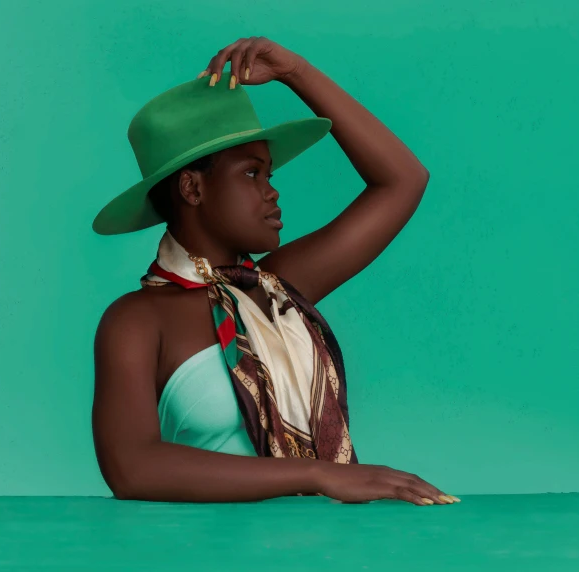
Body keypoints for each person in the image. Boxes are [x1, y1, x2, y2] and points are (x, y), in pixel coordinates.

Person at [91, 36, 460, 506]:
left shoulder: (276, 289)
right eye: (251, 174)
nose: (272, 193)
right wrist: (319, 475)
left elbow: (403, 180)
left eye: (270, 175)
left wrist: (296, 73)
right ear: (192, 187)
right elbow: (132, 470)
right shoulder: (136, 320)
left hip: (314, 547)